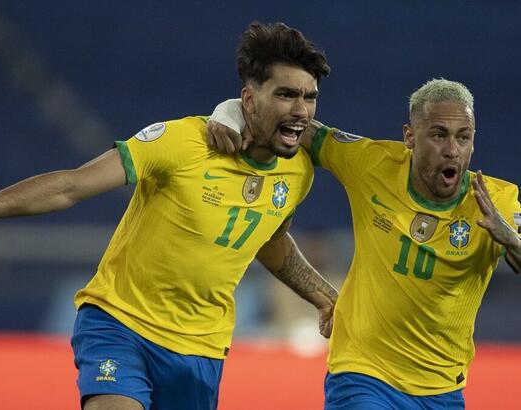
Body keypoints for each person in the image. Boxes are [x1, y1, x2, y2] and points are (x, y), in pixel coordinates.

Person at [0, 22, 338, 410]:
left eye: (309, 97)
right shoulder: (180, 142)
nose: (301, 109)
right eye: (286, 94)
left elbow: (269, 239)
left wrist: (322, 294)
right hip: (120, 323)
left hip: (200, 349)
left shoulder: (297, 172)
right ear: (249, 98)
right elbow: (69, 186)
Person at [208, 78, 521, 409]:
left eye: (463, 137)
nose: (452, 149)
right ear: (410, 137)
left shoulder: (498, 201)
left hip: (441, 389)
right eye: (438, 134)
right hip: (362, 374)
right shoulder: (373, 163)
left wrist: (512, 242)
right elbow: (302, 131)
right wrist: (230, 111)